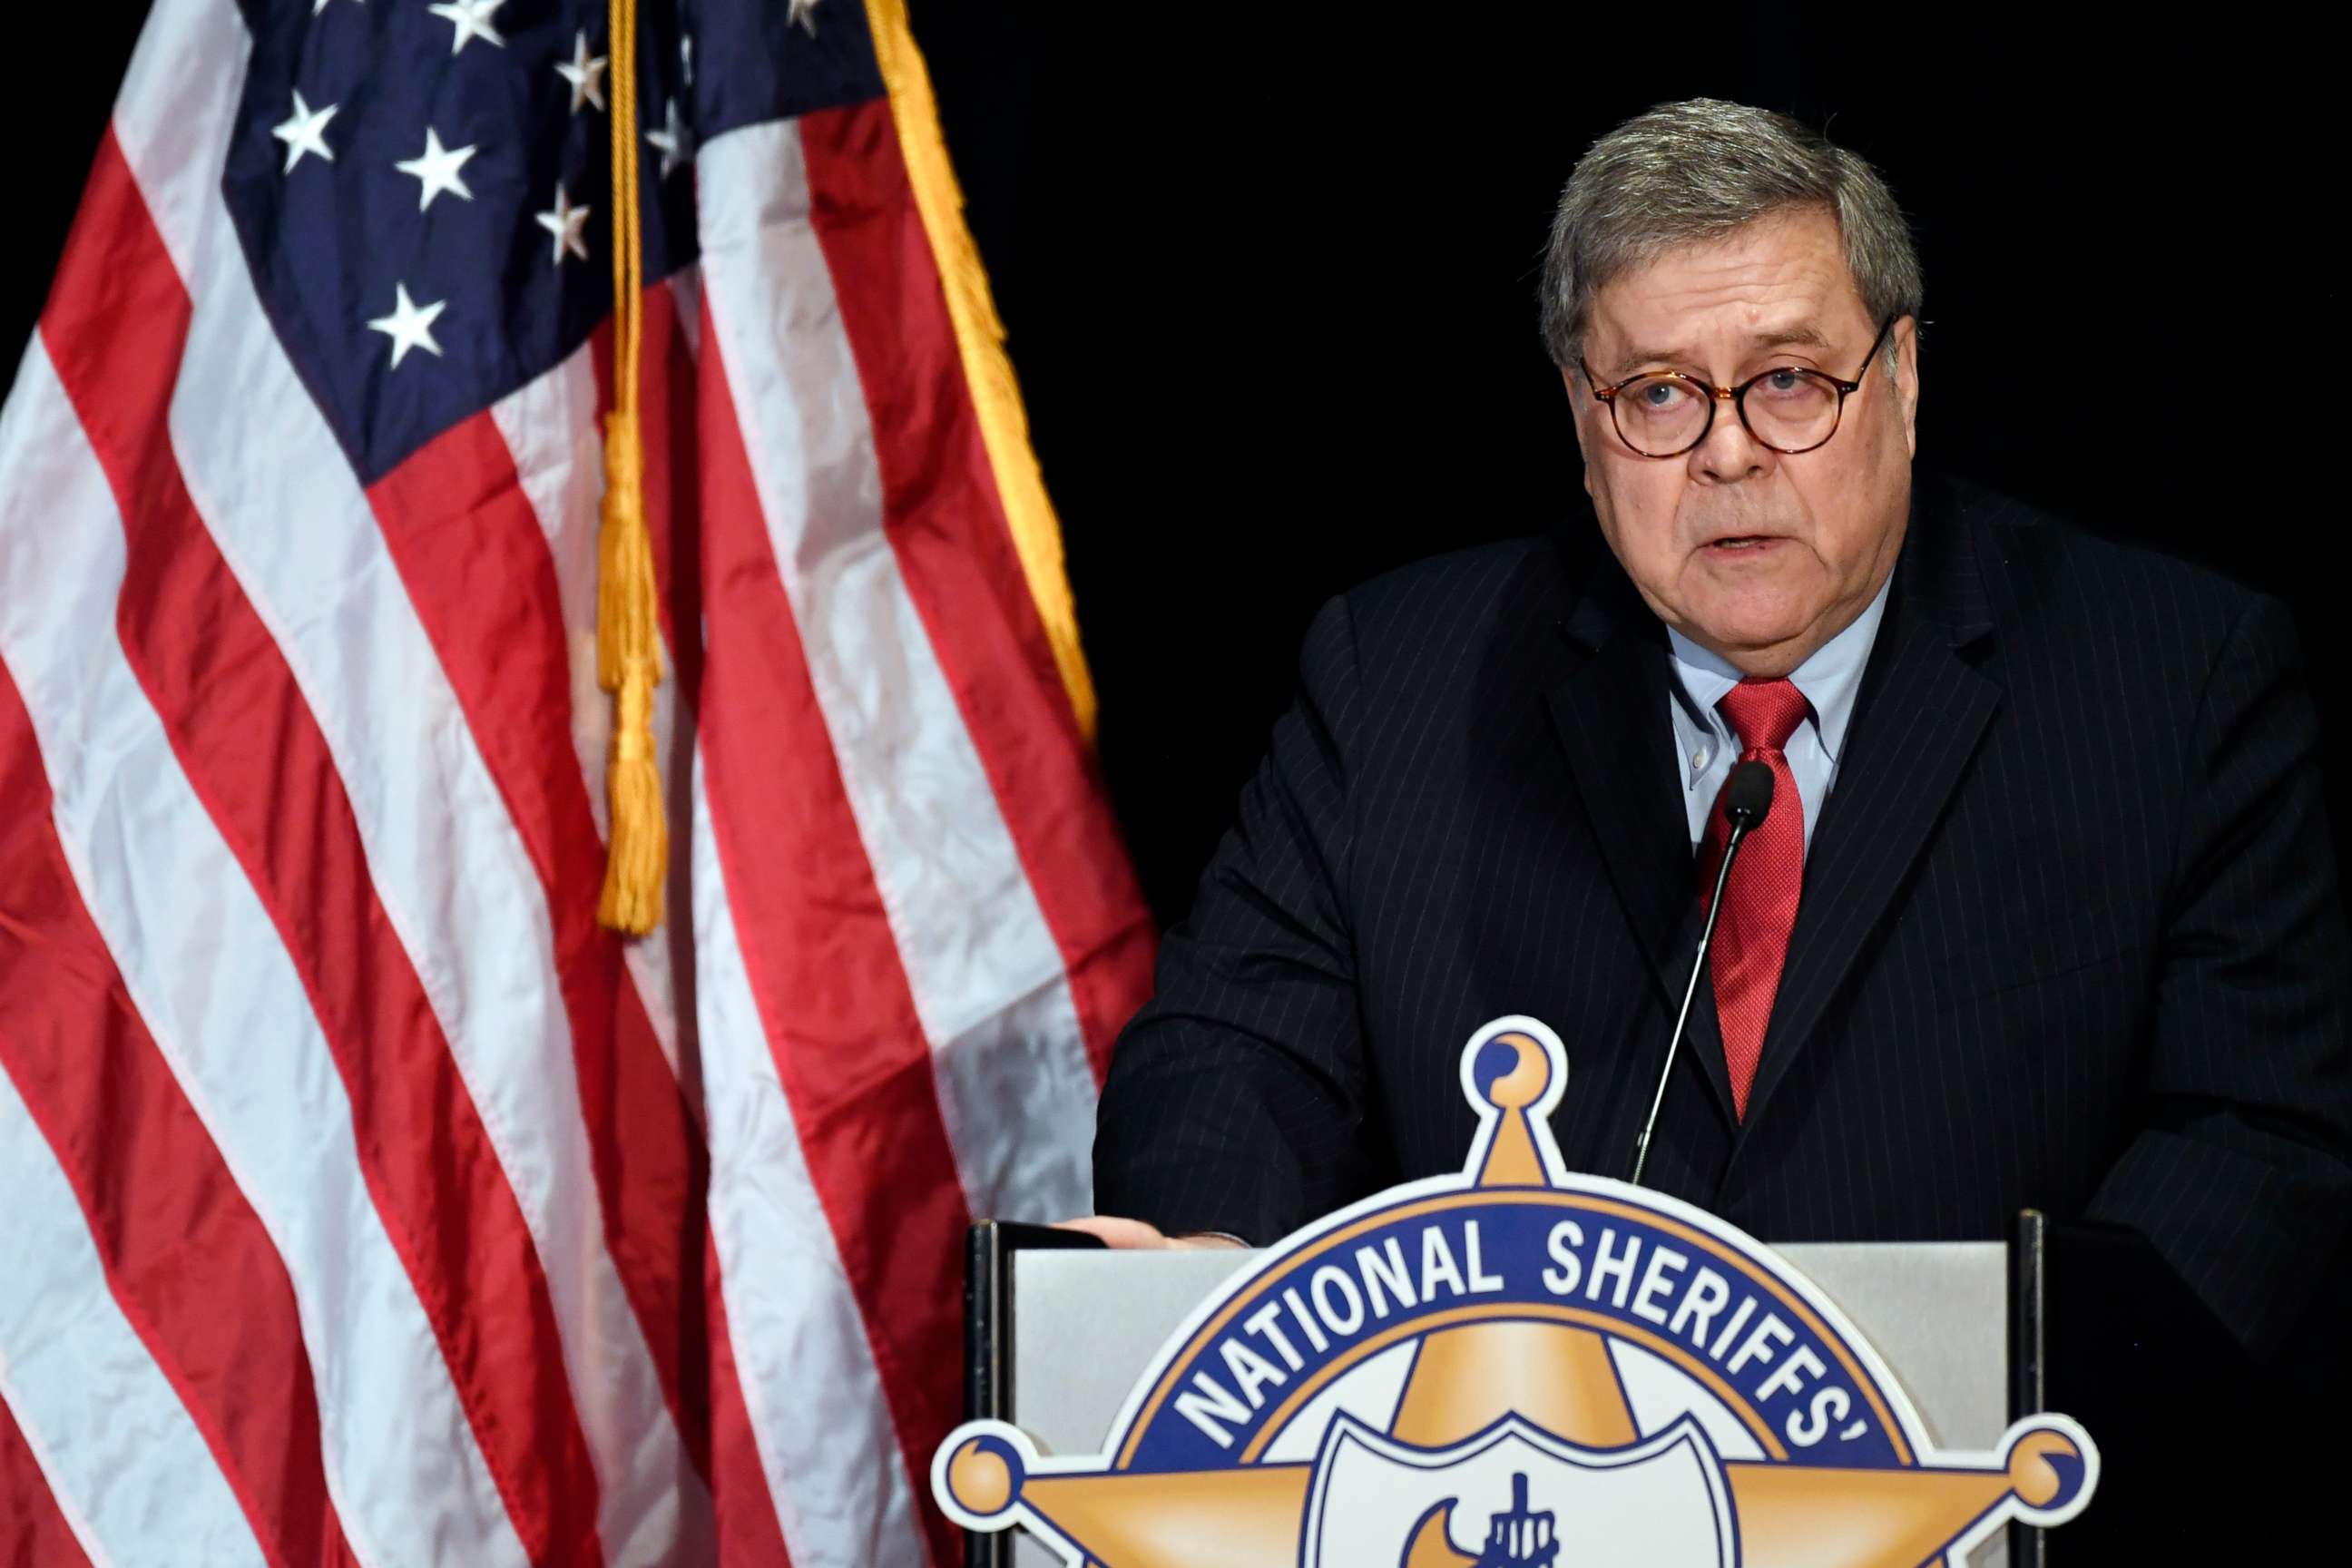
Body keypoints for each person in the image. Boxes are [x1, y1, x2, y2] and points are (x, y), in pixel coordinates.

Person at [1078, 98, 2352, 1394]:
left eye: (1791, 380)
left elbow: (2249, 1137)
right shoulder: (1394, 679)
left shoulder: (2169, 681)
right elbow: (1234, 1053)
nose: (1730, 452)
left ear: (1902, 379)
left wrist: (1981, 1400)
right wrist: (1209, 1269)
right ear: (1582, 419)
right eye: (1660, 394)